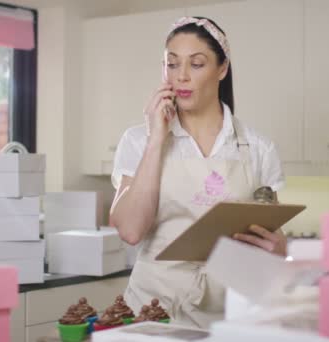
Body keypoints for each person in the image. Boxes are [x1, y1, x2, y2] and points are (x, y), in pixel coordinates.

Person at [109, 16, 286, 329]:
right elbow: (131, 231)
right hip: (152, 314)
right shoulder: (138, 140)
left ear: (222, 68)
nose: (182, 77)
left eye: (197, 64)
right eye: (172, 64)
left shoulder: (257, 148)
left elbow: (272, 237)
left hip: (228, 315)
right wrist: (156, 141)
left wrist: (279, 250)